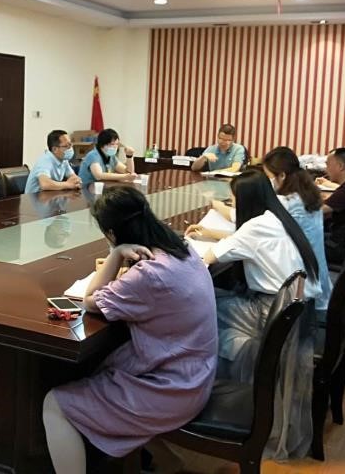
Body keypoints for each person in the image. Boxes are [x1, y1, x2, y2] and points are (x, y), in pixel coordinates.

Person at [43, 186, 217, 473]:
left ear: (112, 233)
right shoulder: (181, 248)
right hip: (197, 374)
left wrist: (116, 255)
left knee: (55, 404)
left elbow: (89, 299)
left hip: (175, 390)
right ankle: (168, 461)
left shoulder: (149, 274)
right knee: (105, 367)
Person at [185, 170, 320, 460]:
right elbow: (241, 240)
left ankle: (197, 385)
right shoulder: (275, 218)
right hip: (294, 309)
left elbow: (207, 259)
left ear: (246, 199)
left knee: (201, 307)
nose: (233, 204)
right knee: (215, 299)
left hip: (269, 311)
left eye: (234, 199)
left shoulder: (255, 227)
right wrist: (212, 234)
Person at [263, 146, 331, 311]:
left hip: (303, 288)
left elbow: (257, 224)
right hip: (319, 278)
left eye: (269, 177)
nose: (269, 182)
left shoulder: (289, 202)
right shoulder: (307, 193)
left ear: (282, 175)